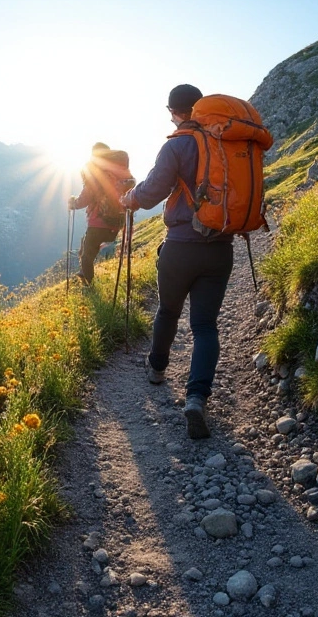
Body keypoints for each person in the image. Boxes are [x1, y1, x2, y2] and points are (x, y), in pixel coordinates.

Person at [119, 84, 233, 440]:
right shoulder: (226, 144)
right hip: (220, 247)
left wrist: (129, 198)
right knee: (204, 326)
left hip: (181, 246)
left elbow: (152, 192)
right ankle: (196, 398)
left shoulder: (176, 145)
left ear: (174, 111)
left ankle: (156, 369)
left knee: (168, 310)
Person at [68, 143, 132, 287]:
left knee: (87, 255)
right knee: (86, 246)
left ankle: (89, 286)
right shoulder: (118, 172)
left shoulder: (95, 173)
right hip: (117, 223)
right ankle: (84, 273)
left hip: (99, 222)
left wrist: (73, 203)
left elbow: (84, 199)